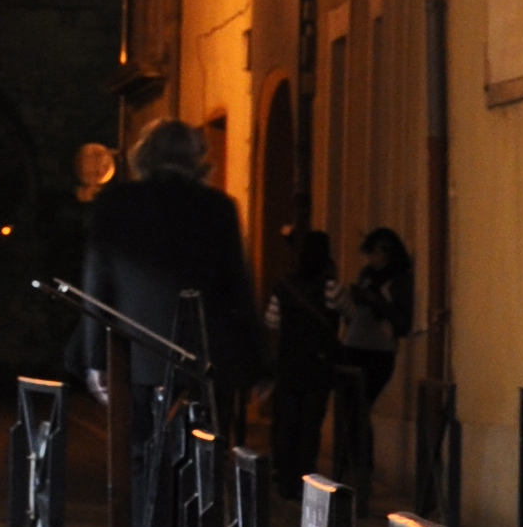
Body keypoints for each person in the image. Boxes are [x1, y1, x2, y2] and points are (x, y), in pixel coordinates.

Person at [77, 121, 258, 434]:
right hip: (206, 357)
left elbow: (96, 287)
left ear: (143, 155)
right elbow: (237, 289)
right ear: (196, 157)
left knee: (143, 448)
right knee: (204, 448)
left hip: (139, 358)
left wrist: (96, 358)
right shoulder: (218, 208)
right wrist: (254, 363)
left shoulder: (116, 204)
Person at [331, 225, 414, 491]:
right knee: (348, 409)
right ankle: (348, 466)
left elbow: (402, 322)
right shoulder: (366, 275)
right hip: (353, 345)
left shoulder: (399, 280)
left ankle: (362, 468)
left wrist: (376, 301)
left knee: (360, 407)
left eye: (375, 253)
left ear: (388, 253)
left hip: (378, 351)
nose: (371, 259)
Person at [265, 225, 340, 500]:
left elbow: (271, 320)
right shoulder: (330, 286)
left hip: (288, 363)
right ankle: (304, 477)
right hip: (318, 364)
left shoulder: (285, 286)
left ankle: (284, 477)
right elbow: (349, 311)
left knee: (287, 422)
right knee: (310, 425)